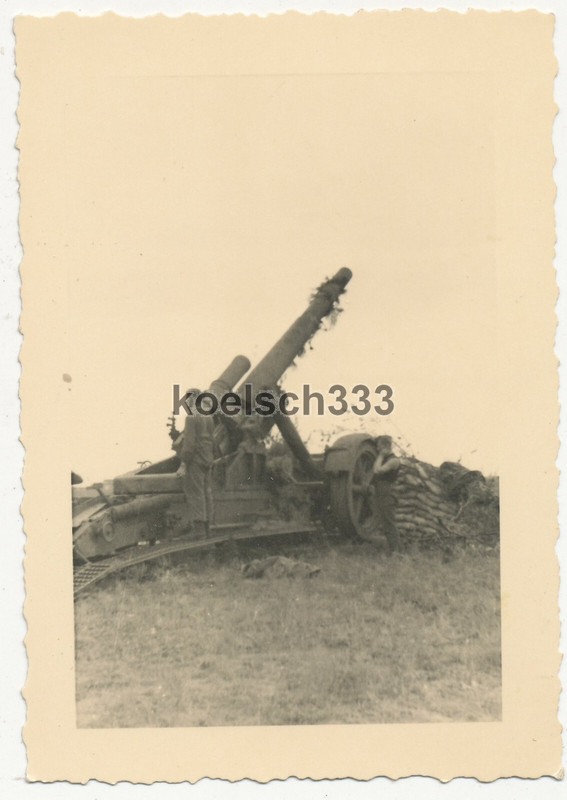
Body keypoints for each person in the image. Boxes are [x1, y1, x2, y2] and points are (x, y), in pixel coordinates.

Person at [171, 388, 215, 537]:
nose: (187, 401)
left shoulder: (191, 417)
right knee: (206, 492)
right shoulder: (208, 416)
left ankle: (199, 531)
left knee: (195, 493)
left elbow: (189, 445)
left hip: (195, 460)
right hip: (207, 459)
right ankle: (208, 528)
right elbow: (211, 440)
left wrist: (183, 464)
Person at [372, 435, 402, 554]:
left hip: (388, 491)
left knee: (389, 521)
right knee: (385, 521)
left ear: (385, 446)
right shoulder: (385, 458)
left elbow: (377, 470)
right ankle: (394, 550)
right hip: (381, 491)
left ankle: (397, 551)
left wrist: (380, 455)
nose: (377, 449)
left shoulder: (393, 460)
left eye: (379, 446)